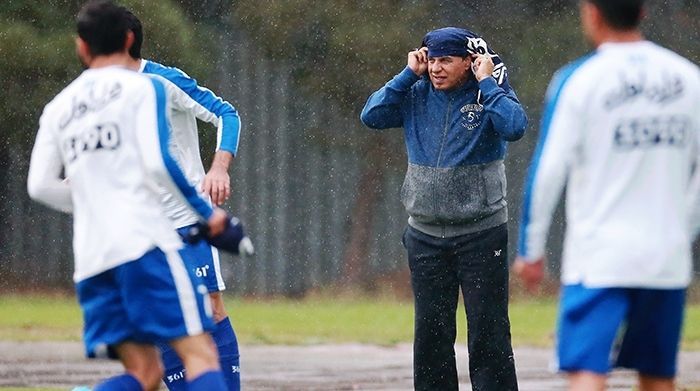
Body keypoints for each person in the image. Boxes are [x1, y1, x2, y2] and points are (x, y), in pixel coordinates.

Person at [26, 1, 229, 390]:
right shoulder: (144, 88)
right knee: (200, 353)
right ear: (130, 39)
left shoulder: (59, 107)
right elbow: (157, 164)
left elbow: (39, 186)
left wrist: (96, 199)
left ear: (81, 48)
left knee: (145, 375)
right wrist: (208, 213)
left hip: (92, 259)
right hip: (144, 244)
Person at [514, 0, 700, 390]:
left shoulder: (578, 79)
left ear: (592, 13)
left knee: (586, 370)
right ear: (643, 12)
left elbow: (548, 171)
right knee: (657, 374)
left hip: (599, 259)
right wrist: (681, 228)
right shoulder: (688, 78)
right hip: (666, 256)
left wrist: (531, 251)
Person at [360, 27, 527, 390]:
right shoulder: (414, 92)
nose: (436, 68)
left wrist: (488, 84)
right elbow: (371, 115)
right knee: (432, 335)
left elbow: (514, 127)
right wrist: (408, 74)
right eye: (431, 59)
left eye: (446, 60)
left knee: (488, 331)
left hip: (481, 234)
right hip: (425, 236)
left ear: (469, 62)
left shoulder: (490, 94)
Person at [122, 9, 252, 391]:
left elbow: (226, 114)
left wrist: (219, 168)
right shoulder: (99, 94)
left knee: (209, 311)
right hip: (140, 228)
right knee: (157, 314)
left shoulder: (163, 80)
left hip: (186, 222)